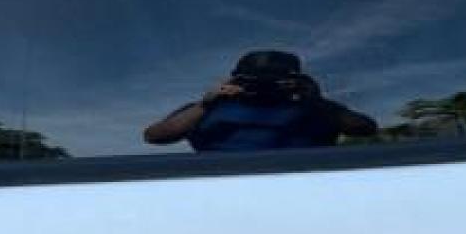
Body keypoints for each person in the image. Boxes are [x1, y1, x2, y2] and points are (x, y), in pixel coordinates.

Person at [144, 50, 377, 152]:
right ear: (235, 80)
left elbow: (365, 128)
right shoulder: (210, 108)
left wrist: (315, 100)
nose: (265, 86)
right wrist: (205, 105)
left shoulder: (314, 109)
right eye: (253, 80)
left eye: (277, 81)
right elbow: (154, 136)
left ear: (297, 81)